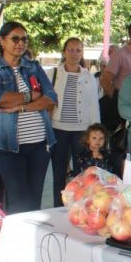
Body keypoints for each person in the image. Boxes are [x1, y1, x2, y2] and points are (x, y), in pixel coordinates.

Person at [0, 21, 57, 214]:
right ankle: (16, 242)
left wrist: (22, 107)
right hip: (9, 148)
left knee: (34, 202)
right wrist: (30, 95)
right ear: (2, 41)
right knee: (18, 202)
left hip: (41, 144)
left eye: (24, 39)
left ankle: (32, 241)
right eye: (15, 38)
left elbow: (51, 97)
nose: (20, 43)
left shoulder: (33, 67)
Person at [49, 37, 100, 206]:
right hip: (58, 129)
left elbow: (94, 104)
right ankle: (58, 206)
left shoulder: (89, 77)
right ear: (64, 51)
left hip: (81, 130)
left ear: (82, 53)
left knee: (81, 172)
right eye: (70, 49)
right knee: (59, 171)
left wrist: (95, 133)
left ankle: (80, 206)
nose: (74, 53)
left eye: (78, 50)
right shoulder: (53, 74)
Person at [100, 20, 131, 133]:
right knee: (118, 138)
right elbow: (105, 79)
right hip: (122, 102)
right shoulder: (120, 54)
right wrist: (117, 98)